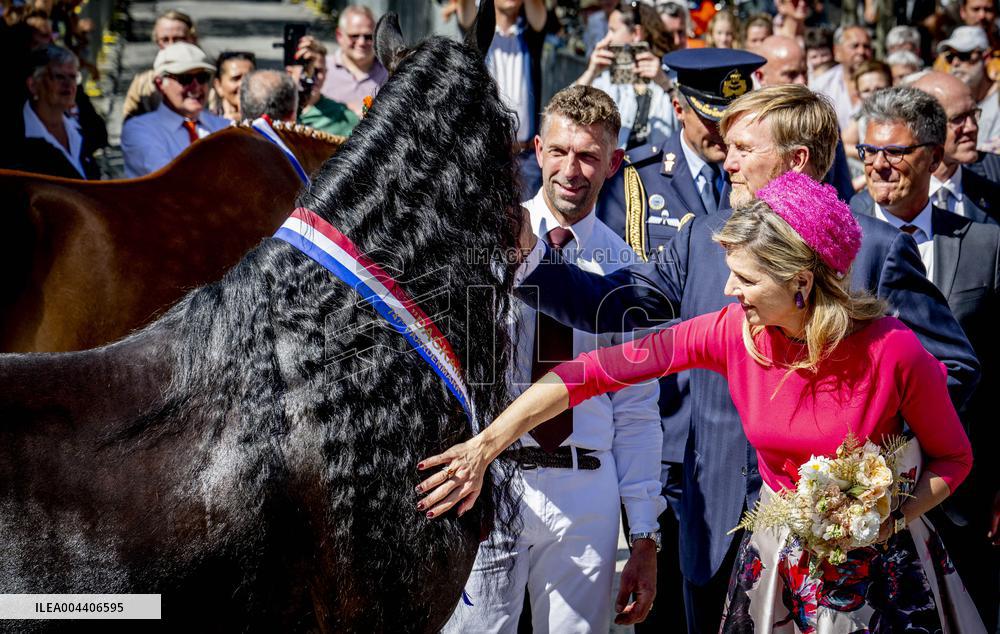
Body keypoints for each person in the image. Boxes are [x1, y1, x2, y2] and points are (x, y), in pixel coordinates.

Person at [503, 83, 981, 633]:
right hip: (720, 520)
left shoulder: (869, 246)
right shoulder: (702, 240)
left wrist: (875, 472)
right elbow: (620, 310)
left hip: (852, 546)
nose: (725, 161)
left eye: (743, 149)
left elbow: (948, 368)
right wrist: (534, 261)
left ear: (794, 160)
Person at [441, 85, 664, 634]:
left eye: (589, 156)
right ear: (537, 150)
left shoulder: (626, 268)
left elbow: (637, 409)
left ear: (613, 163)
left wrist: (643, 534)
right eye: (560, 151)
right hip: (492, 479)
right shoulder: (485, 243)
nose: (572, 169)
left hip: (586, 489)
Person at [592, 47, 764, 634]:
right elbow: (622, 295)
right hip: (670, 428)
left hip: (754, 433)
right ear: (679, 108)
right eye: (714, 117)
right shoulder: (637, 183)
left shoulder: (768, 186)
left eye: (738, 119)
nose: (725, 133)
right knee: (664, 602)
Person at [849, 87, 999, 630]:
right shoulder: (839, 239)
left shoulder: (985, 243)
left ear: (934, 158)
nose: (880, 165)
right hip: (861, 484)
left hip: (961, 489)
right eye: (869, 151)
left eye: (896, 152)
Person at [458, 0, 551, 200]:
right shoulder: (477, 31)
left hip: (526, 157)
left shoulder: (529, 34)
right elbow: (464, 16)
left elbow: (540, 19)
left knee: (528, 226)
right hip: (485, 155)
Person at [575, 1, 677, 150]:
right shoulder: (608, 80)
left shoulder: (671, 76)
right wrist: (591, 72)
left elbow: (693, 120)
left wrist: (665, 83)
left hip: (661, 168)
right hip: (618, 169)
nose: (606, 39)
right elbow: (567, 111)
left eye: (612, 30)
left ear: (636, 33)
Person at [120, 42, 230, 178]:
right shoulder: (139, 129)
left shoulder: (224, 127)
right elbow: (170, 178)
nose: (196, 87)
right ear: (160, 84)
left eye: (202, 78)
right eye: (185, 79)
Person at [911, 72, 1000, 223]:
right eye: (958, 119)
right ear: (922, 126)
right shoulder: (894, 190)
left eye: (973, 114)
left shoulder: (995, 173)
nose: (971, 127)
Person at [3, 44, 100, 179]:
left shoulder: (79, 128)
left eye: (73, 77)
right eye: (59, 76)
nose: (68, 84)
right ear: (33, 85)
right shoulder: (14, 139)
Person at [122, 9, 197, 121]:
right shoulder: (143, 84)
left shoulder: (209, 81)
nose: (171, 46)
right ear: (157, 42)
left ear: (192, 40)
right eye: (165, 40)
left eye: (178, 39)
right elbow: (129, 126)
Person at [320, 5, 387, 117]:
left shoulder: (389, 74)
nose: (361, 42)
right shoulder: (322, 69)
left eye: (368, 36)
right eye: (354, 36)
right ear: (339, 35)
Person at [809, 25, 874, 131]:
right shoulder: (821, 86)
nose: (861, 52)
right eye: (854, 46)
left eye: (866, 46)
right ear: (837, 51)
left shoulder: (882, 83)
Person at [290, 41, 358, 137]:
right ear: (290, 71)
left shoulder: (340, 115)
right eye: (306, 70)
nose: (312, 77)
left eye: (318, 71)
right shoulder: (278, 107)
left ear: (326, 73)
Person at [842, 60, 892, 189]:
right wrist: (866, 152)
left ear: (892, 87)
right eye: (866, 91)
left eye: (879, 89)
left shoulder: (904, 118)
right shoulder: (862, 118)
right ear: (858, 95)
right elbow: (840, 145)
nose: (873, 95)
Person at [210, 51, 255, 122]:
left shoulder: (266, 123)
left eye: (248, 78)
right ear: (218, 85)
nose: (242, 84)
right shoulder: (208, 123)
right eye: (236, 78)